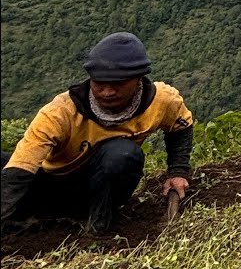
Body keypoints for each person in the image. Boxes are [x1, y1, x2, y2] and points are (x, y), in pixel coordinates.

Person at [1, 32, 195, 235]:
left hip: (97, 192)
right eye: (100, 84)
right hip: (49, 186)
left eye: (118, 84)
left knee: (123, 154)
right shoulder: (60, 112)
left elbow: (180, 127)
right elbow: (20, 169)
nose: (107, 92)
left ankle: (97, 228)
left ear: (138, 79)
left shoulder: (162, 101)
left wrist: (178, 172)